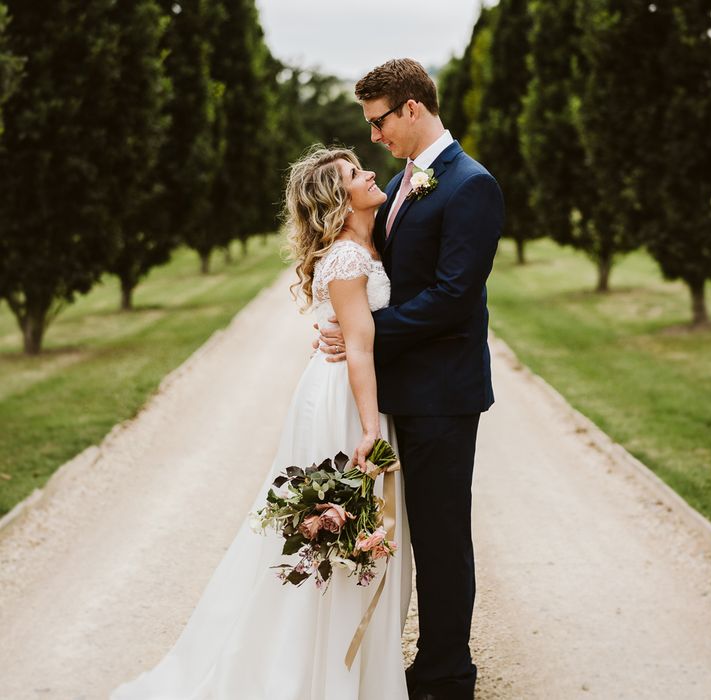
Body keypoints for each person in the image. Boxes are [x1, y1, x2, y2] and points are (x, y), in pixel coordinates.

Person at [110, 146, 412, 700]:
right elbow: (361, 350)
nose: (370, 172)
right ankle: (317, 674)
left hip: (347, 391)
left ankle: (344, 668)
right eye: (354, 174)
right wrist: (369, 430)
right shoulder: (347, 259)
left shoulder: (368, 245)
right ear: (338, 202)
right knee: (338, 529)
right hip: (346, 401)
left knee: (342, 531)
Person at [316, 58, 504, 700]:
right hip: (404, 393)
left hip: (444, 396)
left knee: (442, 535)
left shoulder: (470, 185)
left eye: (378, 121)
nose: (373, 136)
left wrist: (364, 333)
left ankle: (448, 674)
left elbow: (453, 297)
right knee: (404, 531)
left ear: (413, 109)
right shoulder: (404, 181)